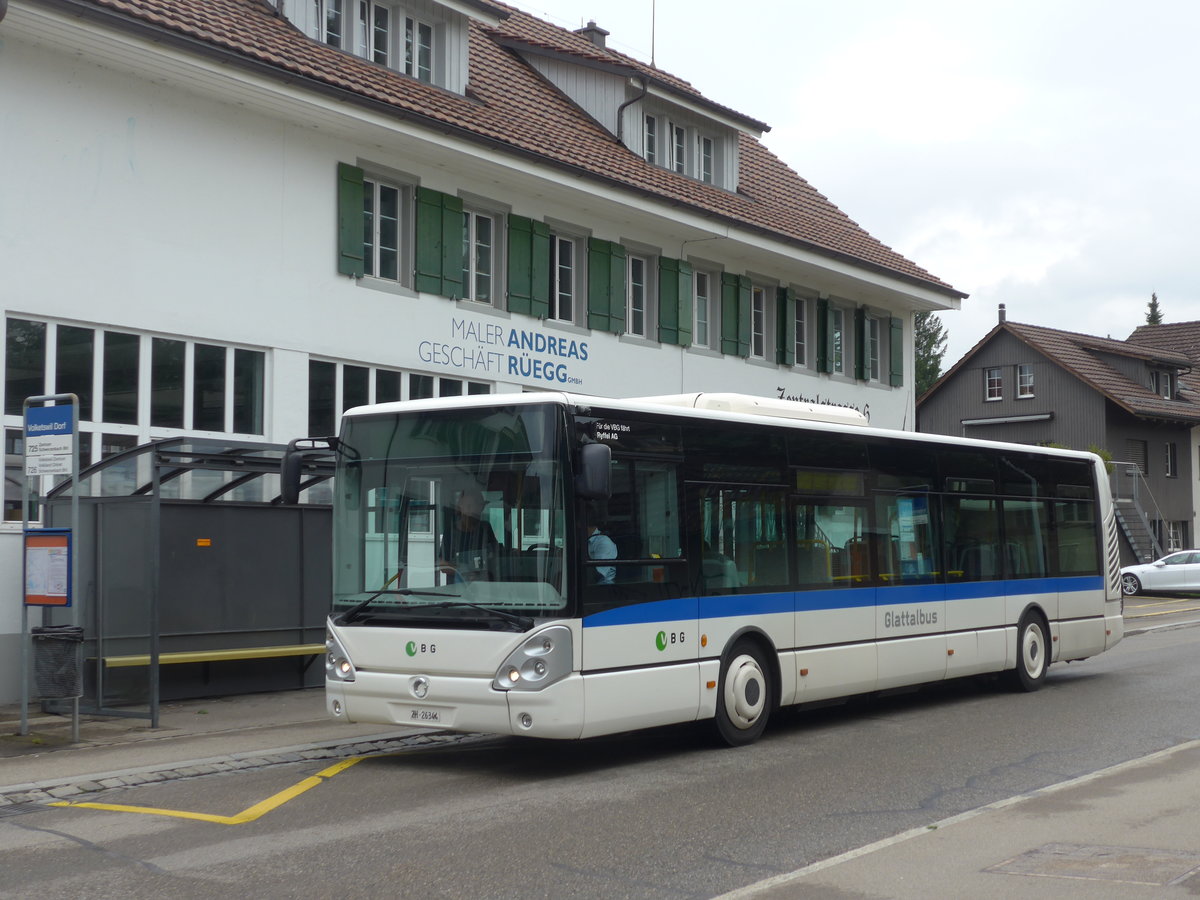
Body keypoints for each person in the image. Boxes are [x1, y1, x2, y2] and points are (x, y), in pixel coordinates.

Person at [439, 487, 500, 581]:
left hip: (484, 589)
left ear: (481, 508)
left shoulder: (485, 529)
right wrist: (464, 571)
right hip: (457, 592)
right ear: (461, 507)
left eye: (477, 507)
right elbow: (443, 566)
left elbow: (496, 557)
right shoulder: (450, 532)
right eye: (468, 506)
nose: (471, 512)